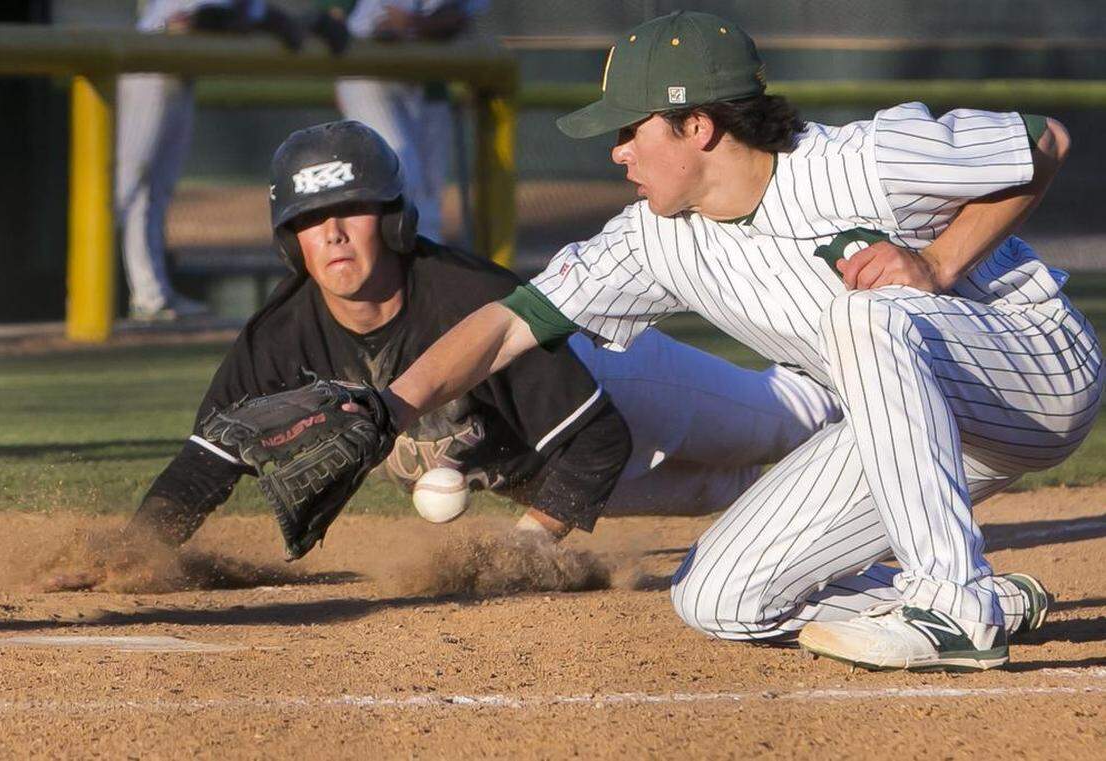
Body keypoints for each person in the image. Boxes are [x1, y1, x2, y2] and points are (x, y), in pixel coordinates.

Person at [363, 12, 1103, 671]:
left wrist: (939, 262)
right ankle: (987, 598)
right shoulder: (655, 237)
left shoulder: (857, 161)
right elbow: (509, 324)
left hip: (1034, 369)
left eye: (631, 129)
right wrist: (384, 412)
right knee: (719, 595)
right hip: (918, 428)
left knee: (863, 313)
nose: (618, 152)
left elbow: (1041, 140)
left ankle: (954, 606)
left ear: (699, 125)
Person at [117, 119, 837, 554]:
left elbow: (599, 440)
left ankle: (889, 399)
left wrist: (523, 549)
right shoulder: (281, 337)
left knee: (797, 425)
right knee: (735, 492)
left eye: (353, 209)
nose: (332, 232)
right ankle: (892, 478)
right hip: (546, 465)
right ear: (288, 241)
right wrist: (131, 556)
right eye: (310, 218)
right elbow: (207, 459)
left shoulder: (463, 300)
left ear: (395, 219)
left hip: (611, 380)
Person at [116, 0, 303, 321]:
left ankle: (151, 294)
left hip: (177, 75)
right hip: (147, 64)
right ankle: (99, 286)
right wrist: (259, 21)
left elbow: (247, 16)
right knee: (130, 183)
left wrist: (274, 21)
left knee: (157, 189)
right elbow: (200, 18)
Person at [326, 0, 488, 242]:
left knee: (430, 196)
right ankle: (390, 269)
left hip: (425, 79)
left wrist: (426, 25)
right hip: (368, 73)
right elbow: (389, 25)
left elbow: (459, 20)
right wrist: (434, 24)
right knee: (399, 174)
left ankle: (426, 273)